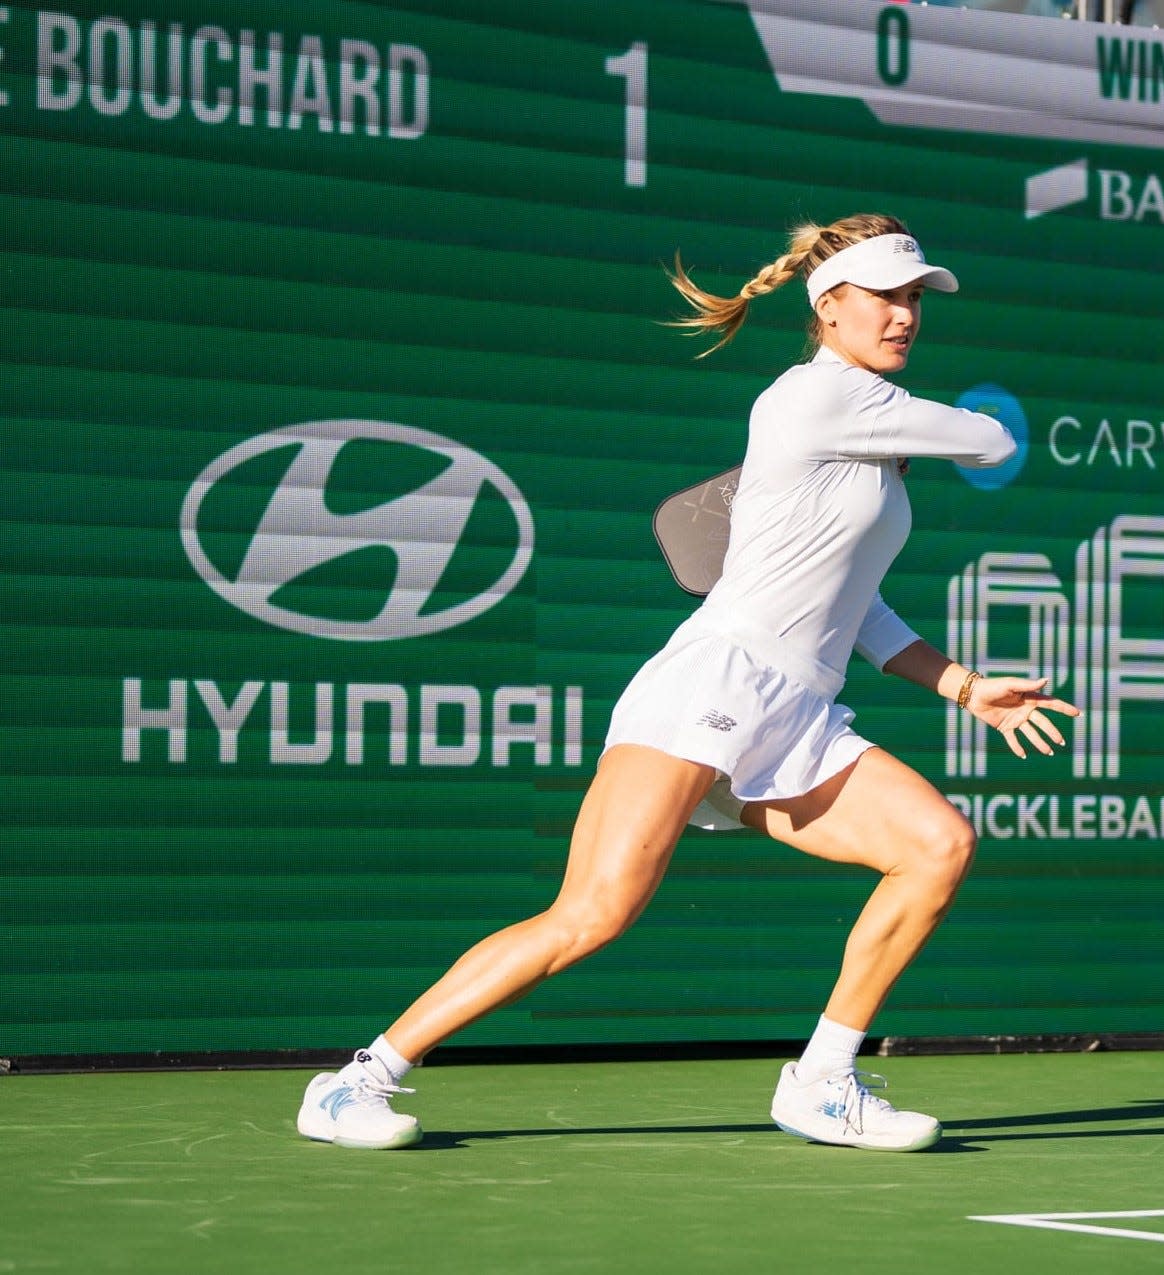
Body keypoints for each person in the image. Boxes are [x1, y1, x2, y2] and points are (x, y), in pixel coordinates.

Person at [296, 213, 1080, 1154]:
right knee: (592, 912)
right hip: (715, 679)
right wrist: (963, 423)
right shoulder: (814, 399)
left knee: (936, 845)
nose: (905, 314)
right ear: (828, 307)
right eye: (885, 295)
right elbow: (994, 441)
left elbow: (853, 604)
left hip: (799, 707)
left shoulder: (870, 434)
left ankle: (823, 1081)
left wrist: (959, 684)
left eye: (915, 297)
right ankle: (357, 1080)